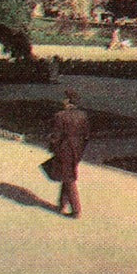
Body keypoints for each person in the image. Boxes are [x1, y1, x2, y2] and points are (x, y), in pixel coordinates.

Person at [48, 88, 91, 218]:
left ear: (68, 101)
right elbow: (86, 135)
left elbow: (56, 136)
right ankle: (62, 204)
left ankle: (76, 210)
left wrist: (52, 146)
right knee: (67, 174)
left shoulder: (60, 116)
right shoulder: (83, 116)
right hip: (77, 150)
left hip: (64, 149)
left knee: (69, 178)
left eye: (65, 98)